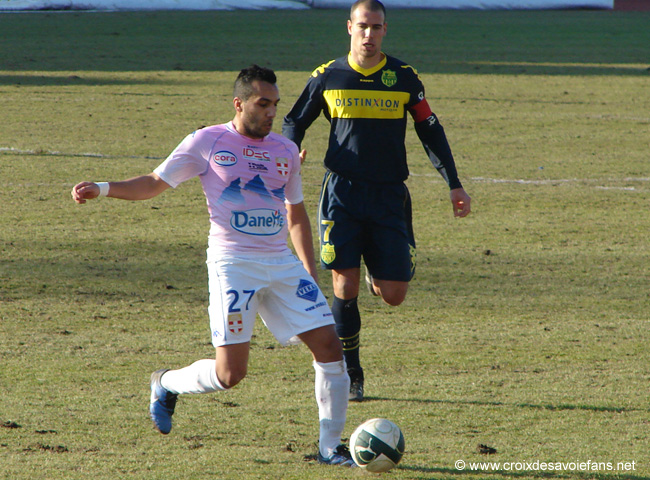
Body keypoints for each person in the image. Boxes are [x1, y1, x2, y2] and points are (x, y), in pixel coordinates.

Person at [71, 65, 356, 467]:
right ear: (239, 103)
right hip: (233, 265)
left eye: (275, 104)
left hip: (280, 262)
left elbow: (295, 214)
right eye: (263, 103)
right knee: (230, 375)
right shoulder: (207, 141)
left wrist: (307, 269)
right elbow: (154, 182)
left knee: (329, 346)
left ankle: (331, 446)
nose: (272, 111)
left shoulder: (286, 150)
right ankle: (166, 382)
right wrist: (103, 189)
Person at [282, 0, 472, 402]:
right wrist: (290, 151)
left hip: (388, 195)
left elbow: (430, 130)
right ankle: (351, 373)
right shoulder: (327, 76)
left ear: (386, 30)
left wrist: (453, 183)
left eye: (377, 27)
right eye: (362, 26)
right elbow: (294, 121)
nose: (369, 34)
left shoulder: (404, 77)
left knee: (395, 295)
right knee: (343, 285)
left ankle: (379, 274)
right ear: (349, 27)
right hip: (342, 194)